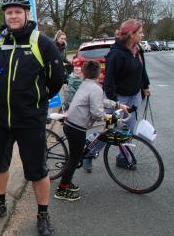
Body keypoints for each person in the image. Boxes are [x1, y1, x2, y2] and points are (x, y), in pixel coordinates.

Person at [0, 0, 65, 236]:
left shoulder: (42, 43)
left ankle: (43, 214)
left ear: (27, 14)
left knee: (37, 169)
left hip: (29, 119)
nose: (13, 16)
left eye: (18, 12)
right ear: (4, 16)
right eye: (9, 13)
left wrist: (39, 100)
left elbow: (57, 77)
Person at [54, 60, 128, 201]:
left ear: (83, 73)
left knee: (75, 156)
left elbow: (98, 101)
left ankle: (67, 182)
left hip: (72, 124)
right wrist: (110, 117)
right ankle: (62, 189)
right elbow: (96, 112)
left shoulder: (87, 85)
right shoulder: (95, 88)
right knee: (74, 159)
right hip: (76, 127)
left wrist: (117, 104)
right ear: (99, 73)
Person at [103, 19, 151, 168]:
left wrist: (145, 86)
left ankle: (123, 157)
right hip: (117, 98)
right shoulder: (116, 55)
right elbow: (108, 82)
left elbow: (141, 70)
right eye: (140, 32)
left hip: (134, 96)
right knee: (109, 130)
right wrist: (116, 102)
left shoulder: (137, 49)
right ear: (131, 34)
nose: (143, 35)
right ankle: (89, 153)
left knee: (129, 130)